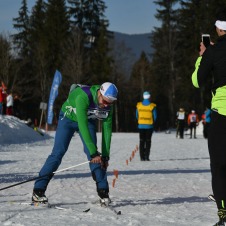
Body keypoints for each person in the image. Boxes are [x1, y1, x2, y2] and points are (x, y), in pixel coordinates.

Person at [32, 82, 118, 206]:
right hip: (68, 119)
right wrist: (94, 153)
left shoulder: (109, 105)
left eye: (109, 103)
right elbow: (82, 125)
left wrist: (105, 155)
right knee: (58, 153)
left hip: (87, 120)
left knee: (95, 156)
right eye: (104, 101)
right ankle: (38, 191)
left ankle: (103, 191)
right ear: (100, 93)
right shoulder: (83, 96)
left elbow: (107, 130)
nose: (105, 105)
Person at [191, 9, 226, 225]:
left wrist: (202, 57)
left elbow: (197, 81)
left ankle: (223, 213)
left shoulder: (213, 52)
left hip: (222, 112)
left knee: (219, 165)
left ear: (218, 28)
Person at [136, 91, 157, 161]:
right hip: (149, 126)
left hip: (141, 126)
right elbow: (155, 117)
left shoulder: (139, 105)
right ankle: (147, 156)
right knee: (148, 141)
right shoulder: (152, 106)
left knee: (141, 141)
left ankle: (142, 157)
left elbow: (136, 116)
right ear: (149, 97)